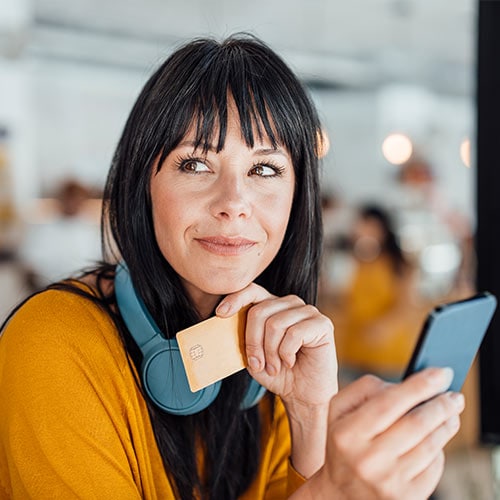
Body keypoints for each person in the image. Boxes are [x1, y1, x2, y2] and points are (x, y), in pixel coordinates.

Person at [0, 34, 463, 499]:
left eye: (264, 171)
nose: (234, 204)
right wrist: (337, 492)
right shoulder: (51, 342)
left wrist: (309, 414)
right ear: (144, 183)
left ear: (296, 200)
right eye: (196, 164)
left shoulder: (272, 344)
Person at [331, 203, 427, 382]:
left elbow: (407, 307)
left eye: (365, 224)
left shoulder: (400, 264)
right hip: (354, 353)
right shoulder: (354, 261)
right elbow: (342, 299)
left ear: (381, 228)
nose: (359, 229)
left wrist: (381, 328)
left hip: (390, 357)